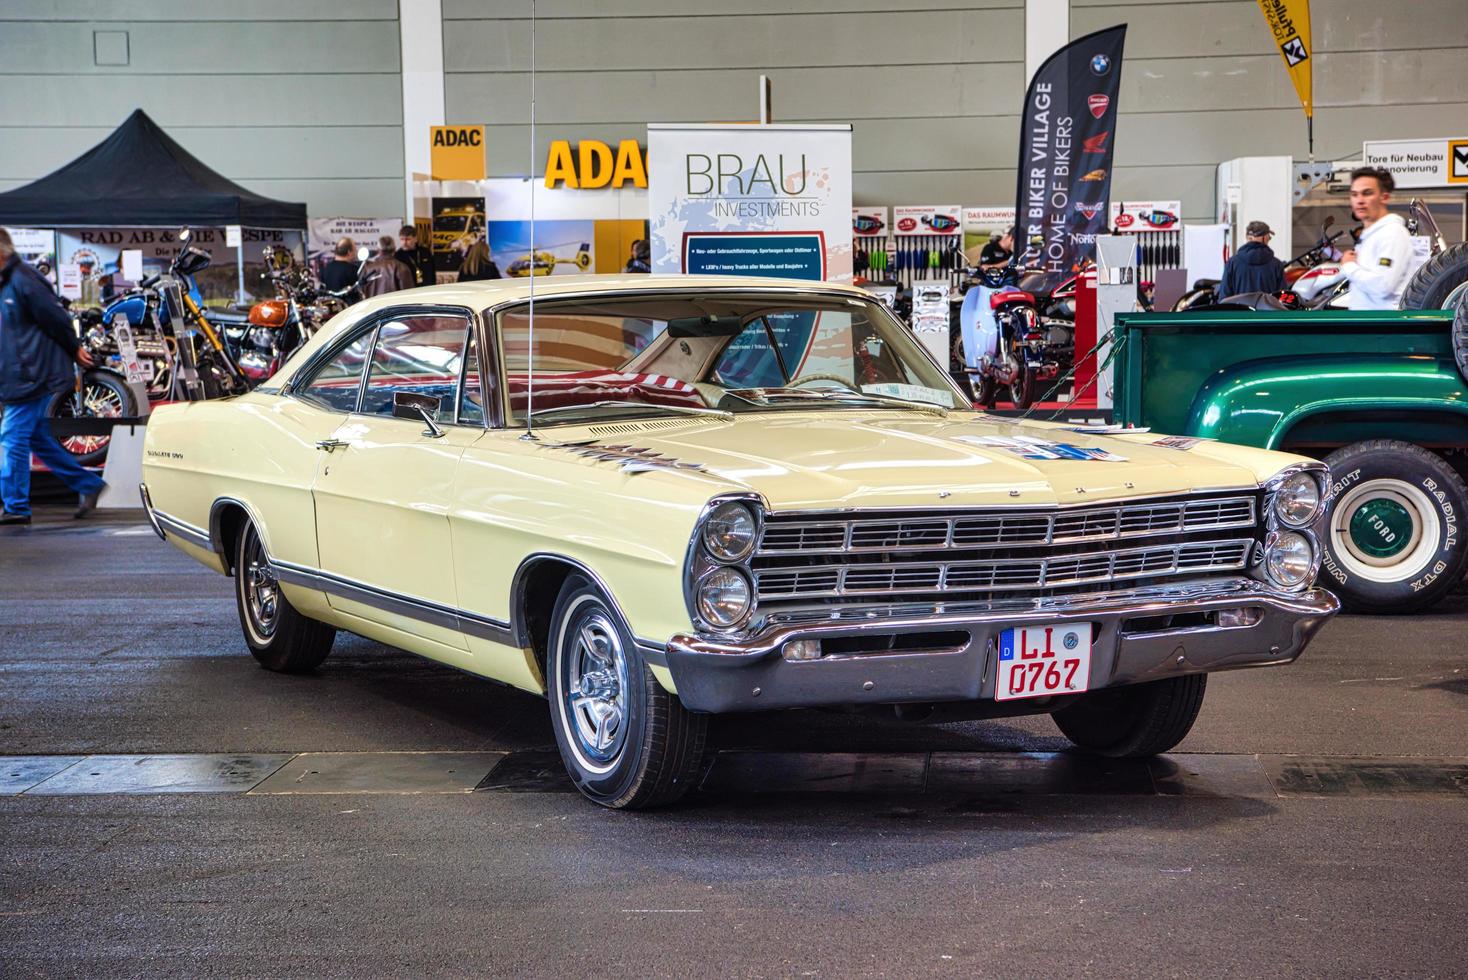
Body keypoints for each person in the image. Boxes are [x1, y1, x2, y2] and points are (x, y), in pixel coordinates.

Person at [0, 229, 106, 525]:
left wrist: (74, 349)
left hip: (32, 374)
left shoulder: (24, 279)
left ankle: (15, 506)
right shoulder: (6, 283)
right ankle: (89, 485)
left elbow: (57, 318)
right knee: (36, 438)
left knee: (11, 436)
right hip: (18, 375)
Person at [1339, 166, 1414, 310]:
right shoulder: (1369, 235)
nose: (1359, 200)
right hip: (1365, 325)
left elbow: (1382, 286)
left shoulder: (1393, 233)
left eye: (1367, 193)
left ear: (1384, 197)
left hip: (1384, 327)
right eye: (1354, 194)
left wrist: (1349, 266)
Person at [1218, 220, 1285, 299]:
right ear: (1264, 237)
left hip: (1239, 310)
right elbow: (1283, 299)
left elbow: (1224, 297)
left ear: (1247, 238)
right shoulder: (1276, 265)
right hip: (1267, 311)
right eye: (1269, 237)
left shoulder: (1232, 263)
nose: (1269, 239)